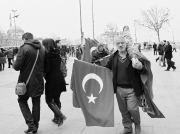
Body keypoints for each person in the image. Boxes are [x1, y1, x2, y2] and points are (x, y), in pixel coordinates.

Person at [104, 35, 147, 134]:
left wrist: (140, 67)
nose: (120, 45)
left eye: (122, 43)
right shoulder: (113, 57)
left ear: (126, 44)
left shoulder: (133, 55)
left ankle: (137, 124)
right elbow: (106, 68)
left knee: (133, 109)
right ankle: (127, 128)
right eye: (118, 43)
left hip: (132, 89)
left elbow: (144, 70)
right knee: (123, 110)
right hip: (119, 89)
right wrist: (93, 68)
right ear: (116, 45)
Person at [13, 32, 45, 134]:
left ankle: (31, 125)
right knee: (36, 103)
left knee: (22, 101)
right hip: (39, 80)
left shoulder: (24, 48)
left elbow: (17, 66)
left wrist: (14, 61)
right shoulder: (42, 48)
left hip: (25, 80)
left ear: (24, 39)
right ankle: (35, 125)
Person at [43, 38, 67, 127]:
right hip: (59, 77)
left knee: (49, 100)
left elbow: (47, 69)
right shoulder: (57, 53)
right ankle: (56, 118)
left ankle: (60, 115)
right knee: (57, 99)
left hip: (51, 79)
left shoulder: (47, 55)